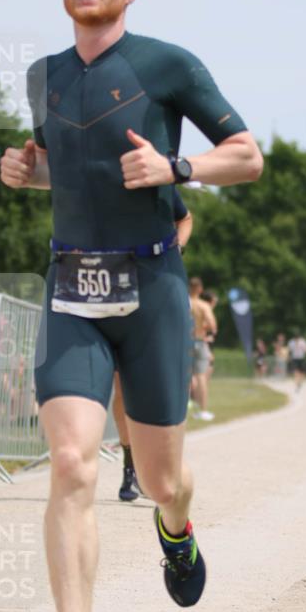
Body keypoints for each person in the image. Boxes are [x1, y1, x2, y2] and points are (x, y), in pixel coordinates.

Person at [0, 0, 263, 612]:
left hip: (152, 290)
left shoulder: (169, 63)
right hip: (72, 287)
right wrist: (27, 173)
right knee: (74, 463)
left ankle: (175, 531)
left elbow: (247, 157)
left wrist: (178, 166)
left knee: (160, 479)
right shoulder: (43, 77)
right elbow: (73, 173)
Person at [115, 188, 193, 502]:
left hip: (155, 288)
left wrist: (175, 251)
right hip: (109, 290)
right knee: (120, 388)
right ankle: (130, 468)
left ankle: (159, 469)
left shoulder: (152, 179)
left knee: (158, 384)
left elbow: (185, 219)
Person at [189, 277, 217, 421]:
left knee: (185, 377)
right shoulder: (203, 306)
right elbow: (213, 325)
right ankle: (203, 411)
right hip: (199, 341)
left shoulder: (183, 302)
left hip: (183, 342)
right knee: (201, 377)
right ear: (200, 289)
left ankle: (184, 409)